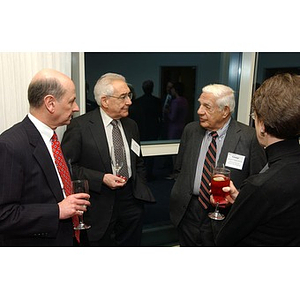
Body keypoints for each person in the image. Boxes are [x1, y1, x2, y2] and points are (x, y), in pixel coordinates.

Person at [61, 72, 156, 246]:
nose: (129, 101)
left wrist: (139, 188)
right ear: (105, 101)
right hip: (98, 202)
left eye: (129, 95)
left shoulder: (131, 125)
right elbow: (67, 168)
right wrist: (101, 178)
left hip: (131, 200)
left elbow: (138, 161)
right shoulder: (80, 127)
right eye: (123, 97)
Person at [0, 68, 91, 246]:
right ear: (50, 103)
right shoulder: (10, 145)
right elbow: (4, 215)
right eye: (71, 101)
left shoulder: (53, 138)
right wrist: (57, 211)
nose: (76, 108)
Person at [169, 83, 267, 246]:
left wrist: (235, 199)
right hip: (188, 211)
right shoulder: (190, 130)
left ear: (225, 111)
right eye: (200, 104)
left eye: (207, 106)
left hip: (226, 216)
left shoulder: (249, 137)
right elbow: (179, 169)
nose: (199, 111)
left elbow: (257, 182)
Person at [213, 73, 300, 246]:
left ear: (262, 126)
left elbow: (223, 239)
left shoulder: (260, 185)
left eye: (255, 117)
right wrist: (242, 200)